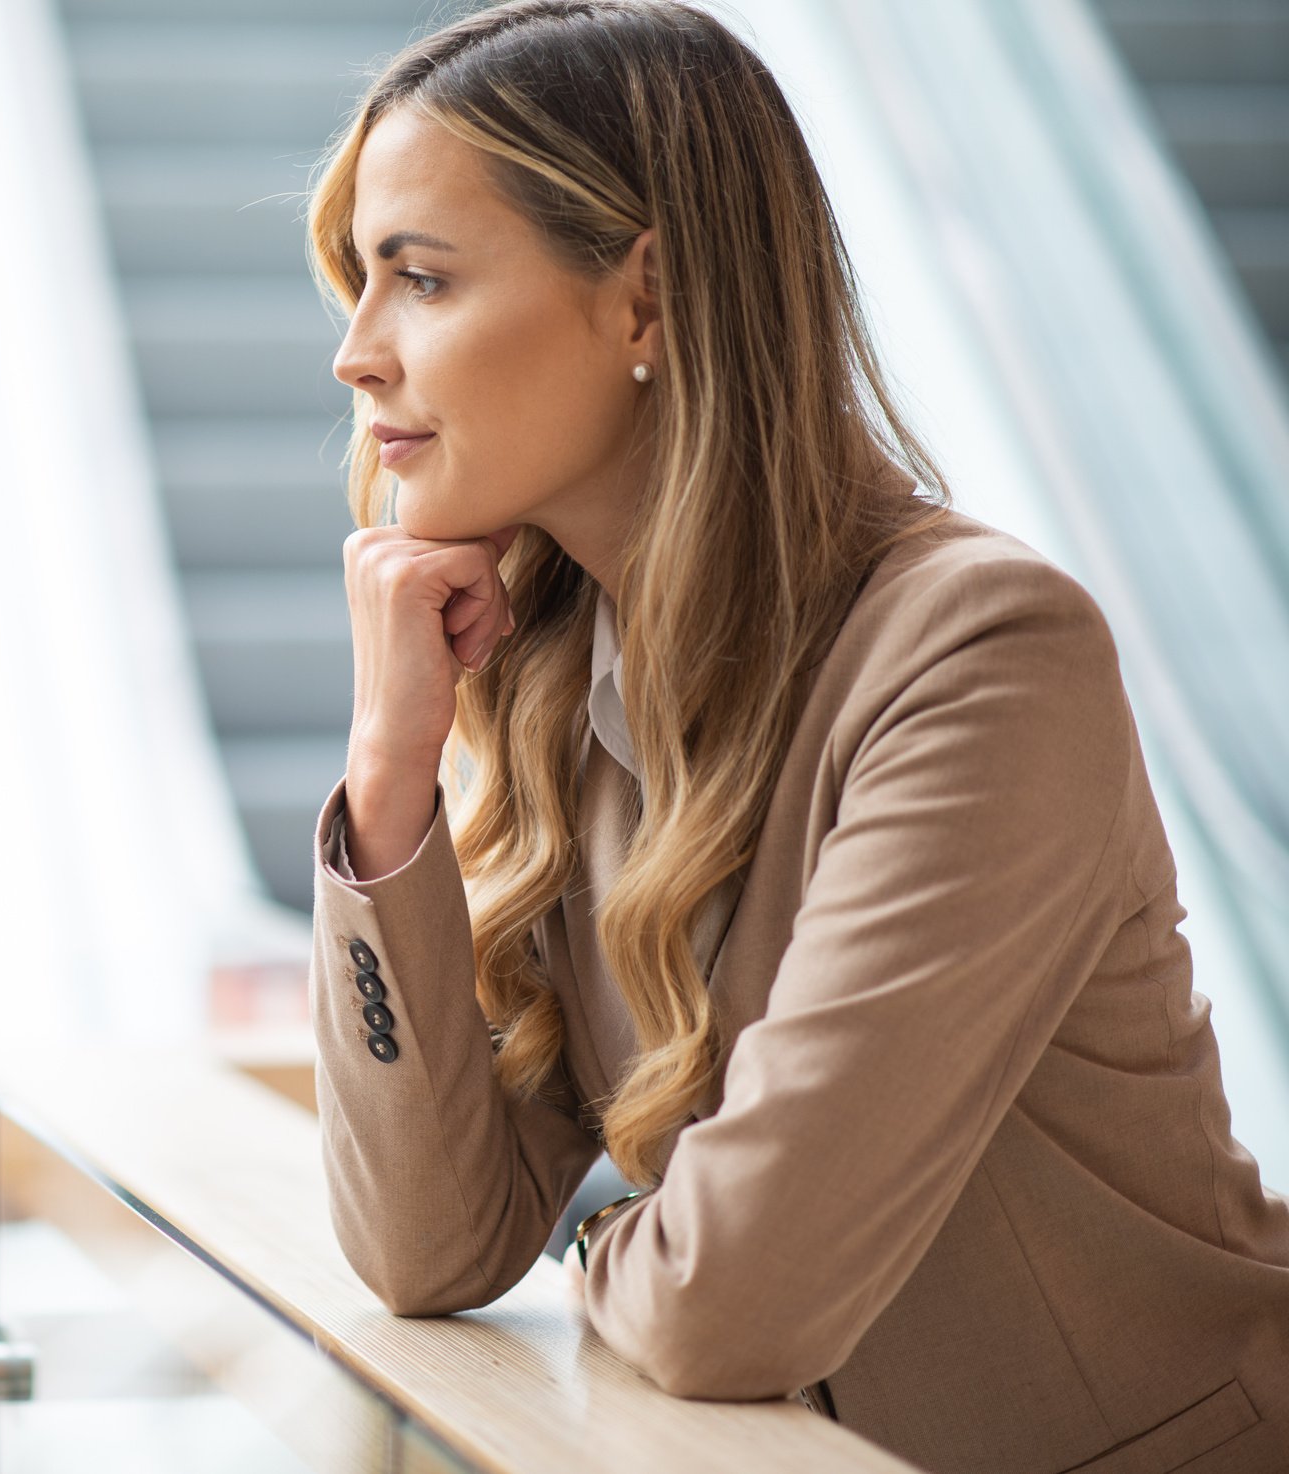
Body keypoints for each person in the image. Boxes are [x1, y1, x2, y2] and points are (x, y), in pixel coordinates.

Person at [300, 3, 1289, 1471]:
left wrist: (607, 1255)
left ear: (645, 299)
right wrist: (390, 777)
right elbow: (428, 1245)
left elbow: (729, 1303)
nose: (357, 357)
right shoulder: (558, 670)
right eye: (356, 289)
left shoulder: (983, 653)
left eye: (421, 281)